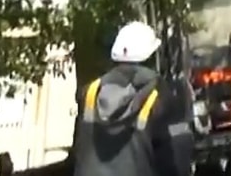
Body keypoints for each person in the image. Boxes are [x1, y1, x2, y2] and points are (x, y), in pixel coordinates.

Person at [71, 20, 182, 176]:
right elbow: (167, 159)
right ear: (150, 58)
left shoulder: (90, 93)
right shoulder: (156, 96)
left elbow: (79, 149)